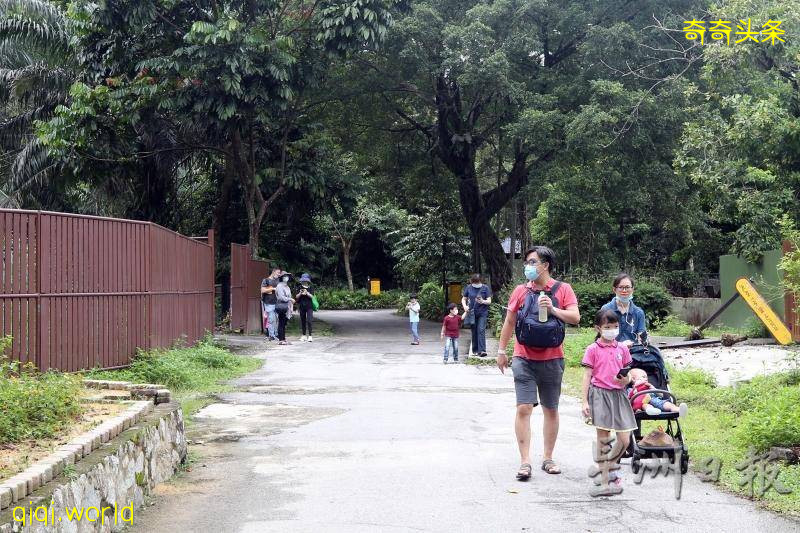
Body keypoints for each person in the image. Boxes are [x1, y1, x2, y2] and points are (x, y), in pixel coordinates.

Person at [496, 246, 580, 480]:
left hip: (553, 358)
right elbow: (510, 321)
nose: (528, 267)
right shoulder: (520, 291)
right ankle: (525, 461)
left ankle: (548, 457)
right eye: (527, 262)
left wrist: (553, 309)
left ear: (546, 265)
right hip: (523, 357)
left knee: (550, 408)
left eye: (532, 262)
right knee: (524, 407)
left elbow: (575, 317)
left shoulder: (563, 290)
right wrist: (502, 350)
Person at [581, 309, 638, 495]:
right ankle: (605, 479)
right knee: (604, 439)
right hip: (600, 395)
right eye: (607, 327)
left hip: (619, 395)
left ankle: (610, 467)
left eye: (615, 326)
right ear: (598, 328)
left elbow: (629, 372)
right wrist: (584, 401)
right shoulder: (593, 349)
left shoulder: (622, 348)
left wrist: (627, 379)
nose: (612, 330)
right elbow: (587, 375)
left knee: (624, 438)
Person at [600, 273, 647, 347]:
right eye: (621, 287)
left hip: (633, 353)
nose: (624, 290)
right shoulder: (605, 309)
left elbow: (641, 336)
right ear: (614, 289)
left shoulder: (638, 312)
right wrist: (620, 345)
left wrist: (644, 339)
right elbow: (602, 337)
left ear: (632, 289)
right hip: (610, 351)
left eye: (627, 287)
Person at [461, 274, 492, 356]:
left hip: (482, 312)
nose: (476, 284)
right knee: (474, 331)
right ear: (472, 281)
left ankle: (482, 351)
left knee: (481, 330)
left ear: (480, 281)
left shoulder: (485, 288)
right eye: (475, 282)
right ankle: (475, 350)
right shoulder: (469, 288)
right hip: (472, 313)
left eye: (477, 282)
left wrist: (483, 301)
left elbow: (489, 301)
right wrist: (465, 306)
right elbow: (464, 299)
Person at [260, 267, 282, 340]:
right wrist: (272, 289)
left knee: (277, 319)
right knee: (271, 319)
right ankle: (271, 335)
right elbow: (262, 290)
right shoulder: (266, 280)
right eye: (278, 273)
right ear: (273, 272)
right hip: (269, 303)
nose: (279, 274)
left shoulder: (278, 281)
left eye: (279, 273)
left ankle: (276, 334)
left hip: (278, 303)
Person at [275, 272, 295, 345]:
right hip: (282, 306)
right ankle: (281, 339)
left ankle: (283, 339)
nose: (286, 277)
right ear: (282, 278)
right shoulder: (279, 286)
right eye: (285, 276)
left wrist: (291, 307)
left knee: (284, 323)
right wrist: (290, 299)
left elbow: (289, 297)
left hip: (287, 307)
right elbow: (281, 297)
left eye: (287, 276)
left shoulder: (287, 286)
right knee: (281, 323)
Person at [295, 273, 315, 343]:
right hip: (301, 306)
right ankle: (303, 335)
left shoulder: (311, 287)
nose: (304, 281)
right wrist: (300, 293)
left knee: (309, 320)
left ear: (308, 281)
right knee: (302, 321)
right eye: (303, 280)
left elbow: (312, 297)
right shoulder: (299, 287)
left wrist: (307, 293)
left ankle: (310, 336)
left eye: (305, 280)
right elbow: (296, 297)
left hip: (309, 307)